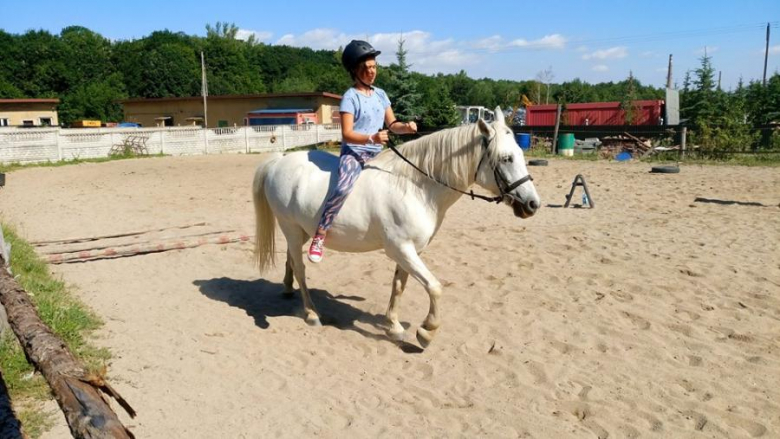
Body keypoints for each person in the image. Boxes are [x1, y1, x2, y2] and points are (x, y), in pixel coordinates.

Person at [308, 40, 417, 263]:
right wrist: (371, 137)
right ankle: (320, 234)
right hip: (355, 153)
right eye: (365, 68)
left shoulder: (381, 94)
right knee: (343, 186)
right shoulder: (350, 97)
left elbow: (392, 123)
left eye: (373, 67)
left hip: (379, 152)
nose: (371, 72)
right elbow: (347, 133)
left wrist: (405, 127)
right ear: (355, 71)